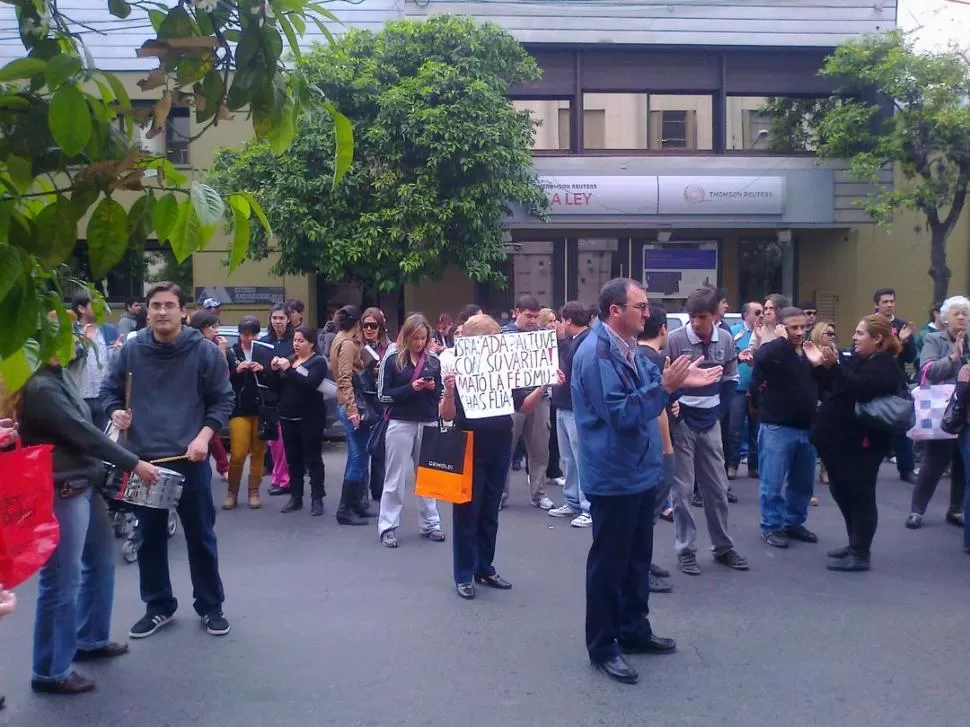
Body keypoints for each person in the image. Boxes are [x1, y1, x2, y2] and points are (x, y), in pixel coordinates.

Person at [572, 278, 721, 685]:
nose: (648, 312)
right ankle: (603, 646)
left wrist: (674, 386)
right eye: (639, 305)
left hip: (638, 471)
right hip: (614, 476)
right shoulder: (596, 353)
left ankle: (634, 630)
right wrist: (667, 388)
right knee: (609, 565)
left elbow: (645, 393)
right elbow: (621, 414)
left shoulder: (629, 348)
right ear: (615, 311)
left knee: (637, 560)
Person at [10, 355, 160, 694]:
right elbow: (82, 432)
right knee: (62, 580)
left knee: (100, 563)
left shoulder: (55, 375)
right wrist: (132, 462)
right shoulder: (42, 385)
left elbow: (85, 424)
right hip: (64, 488)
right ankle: (50, 670)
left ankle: (90, 638)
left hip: (82, 482)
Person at [101, 281, 235, 639]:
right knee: (149, 538)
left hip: (189, 458)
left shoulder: (203, 351)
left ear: (182, 311)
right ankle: (158, 606)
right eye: (155, 305)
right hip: (143, 463)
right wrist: (115, 412)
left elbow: (223, 400)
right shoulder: (131, 351)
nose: (162, 311)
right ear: (147, 310)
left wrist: (204, 437)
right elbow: (108, 392)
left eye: (169, 305)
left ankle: (210, 607)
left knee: (200, 536)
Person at [441, 315, 554, 599]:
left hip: (500, 442)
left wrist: (542, 386)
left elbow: (523, 407)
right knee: (468, 510)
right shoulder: (456, 368)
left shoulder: (502, 369)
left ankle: (484, 567)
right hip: (468, 443)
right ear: (471, 341)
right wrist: (449, 393)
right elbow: (446, 416)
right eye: (486, 340)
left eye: (495, 340)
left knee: (490, 509)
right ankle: (464, 573)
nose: (493, 345)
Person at [664, 289, 749, 575]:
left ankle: (723, 546)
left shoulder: (725, 339)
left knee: (717, 488)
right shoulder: (675, 340)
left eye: (702, 317)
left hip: (710, 421)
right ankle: (686, 550)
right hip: (683, 423)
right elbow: (665, 380)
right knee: (683, 490)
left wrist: (718, 412)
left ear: (714, 315)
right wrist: (676, 406)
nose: (697, 323)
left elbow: (731, 378)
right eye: (692, 317)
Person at [812, 315, 902, 571]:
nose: (854, 337)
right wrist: (823, 366)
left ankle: (861, 553)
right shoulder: (860, 360)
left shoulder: (884, 365)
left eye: (860, 333)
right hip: (840, 443)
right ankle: (854, 544)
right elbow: (833, 388)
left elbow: (860, 389)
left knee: (861, 497)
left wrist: (836, 368)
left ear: (878, 339)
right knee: (842, 493)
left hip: (863, 445)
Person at [753, 307, 823, 549]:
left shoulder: (808, 352)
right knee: (772, 483)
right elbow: (761, 359)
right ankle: (771, 526)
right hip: (777, 426)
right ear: (782, 328)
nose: (799, 332)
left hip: (806, 426)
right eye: (793, 327)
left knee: (803, 483)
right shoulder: (776, 351)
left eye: (803, 327)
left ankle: (793, 523)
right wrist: (781, 340)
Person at [376, 313, 446, 548]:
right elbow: (384, 395)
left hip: (427, 420)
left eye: (423, 339)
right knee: (394, 477)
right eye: (415, 338)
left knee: (428, 476)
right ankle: (388, 526)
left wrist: (434, 388)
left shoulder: (434, 359)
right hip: (401, 422)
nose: (419, 343)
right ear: (406, 337)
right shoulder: (394, 359)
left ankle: (431, 524)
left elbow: (441, 395)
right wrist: (411, 388)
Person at [906, 295, 970, 529]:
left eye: (965, 313)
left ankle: (955, 509)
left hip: (966, 409)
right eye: (956, 313)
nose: (962, 317)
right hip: (942, 408)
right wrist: (954, 357)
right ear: (944, 318)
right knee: (935, 462)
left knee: (963, 464)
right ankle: (917, 510)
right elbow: (928, 370)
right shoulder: (934, 339)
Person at [636, 304, 678, 594]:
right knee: (646, 516)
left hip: (652, 446)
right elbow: (654, 408)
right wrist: (666, 450)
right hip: (656, 447)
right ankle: (639, 569)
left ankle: (643, 564)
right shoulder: (652, 359)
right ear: (664, 329)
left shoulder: (640, 356)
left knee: (646, 515)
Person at [501, 295, 554, 511]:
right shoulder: (503, 335)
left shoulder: (543, 336)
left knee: (540, 448)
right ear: (516, 312)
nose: (532, 320)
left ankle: (539, 493)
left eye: (535, 316)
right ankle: (500, 495)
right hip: (511, 399)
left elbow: (551, 362)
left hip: (539, 398)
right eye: (528, 316)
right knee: (505, 448)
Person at [273, 325, 329, 517]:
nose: (296, 344)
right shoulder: (291, 359)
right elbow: (281, 385)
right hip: (288, 417)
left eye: (301, 341)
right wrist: (274, 370)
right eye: (295, 340)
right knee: (293, 459)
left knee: (312, 458)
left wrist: (289, 370)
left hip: (310, 417)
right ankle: (296, 497)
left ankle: (317, 498)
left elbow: (310, 383)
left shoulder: (318, 362)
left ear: (311, 343)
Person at [225, 316, 277, 510]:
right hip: (239, 408)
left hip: (260, 408)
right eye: (245, 334)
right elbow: (224, 379)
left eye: (253, 334)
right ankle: (232, 492)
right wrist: (236, 370)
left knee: (258, 452)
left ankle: (254, 492)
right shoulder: (231, 352)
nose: (248, 338)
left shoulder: (263, 351)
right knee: (238, 453)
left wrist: (263, 369)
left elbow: (273, 379)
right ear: (239, 334)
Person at [548, 301, 593, 528]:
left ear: (568, 320)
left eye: (560, 320)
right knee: (569, 459)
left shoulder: (583, 342)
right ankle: (573, 500)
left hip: (576, 409)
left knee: (580, 459)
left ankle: (587, 506)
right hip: (564, 406)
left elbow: (571, 366)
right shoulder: (576, 341)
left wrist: (562, 341)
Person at [330, 305, 375, 526]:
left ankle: (354, 504)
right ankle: (345, 509)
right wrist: (353, 409)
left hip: (348, 404)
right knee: (359, 458)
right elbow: (345, 378)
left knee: (356, 456)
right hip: (352, 404)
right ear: (357, 323)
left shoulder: (341, 339)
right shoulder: (347, 344)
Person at [874, 287, 917, 482]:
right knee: (872, 422)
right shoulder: (869, 325)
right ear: (876, 304)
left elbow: (910, 357)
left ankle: (906, 468)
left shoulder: (902, 325)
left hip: (896, 379)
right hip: (873, 378)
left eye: (892, 301)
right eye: (885, 302)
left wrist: (906, 342)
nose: (889, 305)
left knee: (901, 425)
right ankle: (867, 466)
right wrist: (897, 341)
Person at [189, 310, 230, 480]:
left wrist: (222, 352)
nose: (216, 331)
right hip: (194, 402)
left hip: (210, 401)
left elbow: (224, 376)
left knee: (212, 435)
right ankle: (223, 467)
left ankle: (223, 467)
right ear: (203, 328)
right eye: (213, 327)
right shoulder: (194, 347)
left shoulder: (213, 348)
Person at [70, 291, 119, 430]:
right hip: (78, 398)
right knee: (81, 441)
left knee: (104, 440)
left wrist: (118, 352)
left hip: (103, 397)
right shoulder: (69, 332)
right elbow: (65, 360)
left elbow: (112, 364)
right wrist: (84, 344)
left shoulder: (109, 330)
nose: (100, 308)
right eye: (95, 304)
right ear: (81, 309)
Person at [727, 301, 763, 480]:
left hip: (758, 390)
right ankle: (732, 465)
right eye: (757, 313)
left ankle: (754, 466)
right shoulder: (735, 332)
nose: (760, 316)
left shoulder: (765, 334)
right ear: (745, 315)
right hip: (738, 389)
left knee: (756, 430)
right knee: (735, 429)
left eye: (762, 312)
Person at [360, 307, 393, 501]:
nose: (369, 329)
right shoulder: (356, 346)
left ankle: (378, 490)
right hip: (363, 401)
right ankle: (361, 493)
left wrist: (381, 371)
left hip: (381, 403)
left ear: (381, 327)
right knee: (361, 449)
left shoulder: (389, 348)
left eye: (373, 325)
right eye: (366, 325)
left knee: (380, 448)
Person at [260, 303, 293, 495]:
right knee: (272, 441)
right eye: (275, 318)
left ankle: (285, 479)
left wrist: (283, 366)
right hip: (268, 397)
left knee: (283, 442)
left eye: (281, 318)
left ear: (288, 319)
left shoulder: (294, 342)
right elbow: (262, 369)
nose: (278, 322)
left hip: (288, 395)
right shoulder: (265, 341)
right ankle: (277, 477)